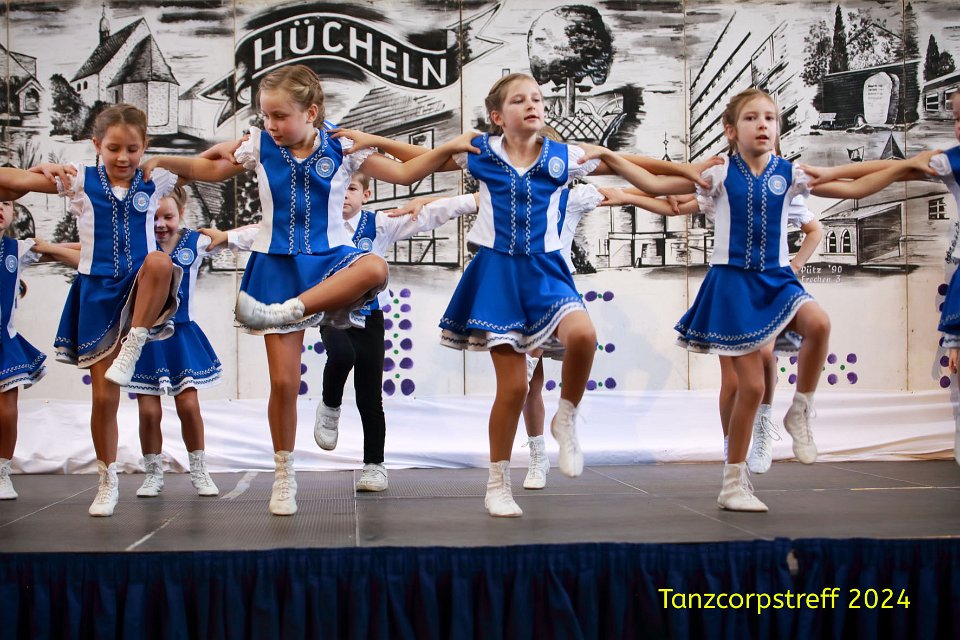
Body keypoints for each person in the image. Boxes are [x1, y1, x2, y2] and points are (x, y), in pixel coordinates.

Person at [142, 65, 476, 515]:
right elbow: (211, 169)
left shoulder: (342, 147)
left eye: (280, 116)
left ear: (311, 113)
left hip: (327, 262)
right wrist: (165, 161)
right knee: (283, 382)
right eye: (265, 115)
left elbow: (406, 173)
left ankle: (291, 309)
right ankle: (284, 476)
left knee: (374, 267)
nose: (271, 124)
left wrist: (448, 146)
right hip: (276, 266)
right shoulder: (259, 146)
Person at [593, 87, 937, 512]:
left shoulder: (791, 175)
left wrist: (906, 164)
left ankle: (800, 410)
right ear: (731, 130)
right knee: (751, 385)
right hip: (734, 283)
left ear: (778, 128)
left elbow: (856, 186)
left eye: (770, 118)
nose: (763, 125)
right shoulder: (718, 175)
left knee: (819, 324)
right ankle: (733, 482)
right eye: (752, 118)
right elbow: (658, 185)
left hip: (776, 278)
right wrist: (610, 160)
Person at [437, 73, 698, 517]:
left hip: (550, 279)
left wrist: (691, 173)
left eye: (537, 99)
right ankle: (503, 479)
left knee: (581, 338)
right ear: (498, 117)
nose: (532, 105)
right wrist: (391, 172)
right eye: (520, 100)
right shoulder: (486, 159)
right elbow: (428, 173)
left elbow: (626, 174)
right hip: (502, 281)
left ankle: (566, 418)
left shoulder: (569, 176)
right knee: (517, 387)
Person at [30, 104, 184, 516]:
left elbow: (215, 166)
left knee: (159, 261)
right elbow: (14, 181)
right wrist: (42, 168)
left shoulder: (154, 179)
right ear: (96, 144)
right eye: (113, 148)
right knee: (104, 396)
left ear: (145, 145)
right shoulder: (80, 180)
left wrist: (253, 145)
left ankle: (136, 339)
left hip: (140, 290)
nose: (123, 157)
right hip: (98, 293)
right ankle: (106, 480)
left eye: (132, 148)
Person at [311, 172, 477, 492]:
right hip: (332, 313)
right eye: (337, 189)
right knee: (342, 355)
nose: (344, 195)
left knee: (370, 395)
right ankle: (330, 406)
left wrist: (473, 200)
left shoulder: (378, 224)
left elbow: (431, 216)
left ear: (366, 194)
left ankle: (374, 465)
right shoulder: (318, 225)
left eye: (352, 188)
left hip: (370, 315)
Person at [125, 186, 257, 498]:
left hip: (180, 335)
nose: (160, 224)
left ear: (181, 214)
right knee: (148, 411)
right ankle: (153, 474)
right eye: (154, 217)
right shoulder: (137, 242)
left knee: (187, 404)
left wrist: (225, 236)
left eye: (168, 217)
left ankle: (199, 470)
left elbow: (251, 234)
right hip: (144, 338)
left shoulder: (194, 242)